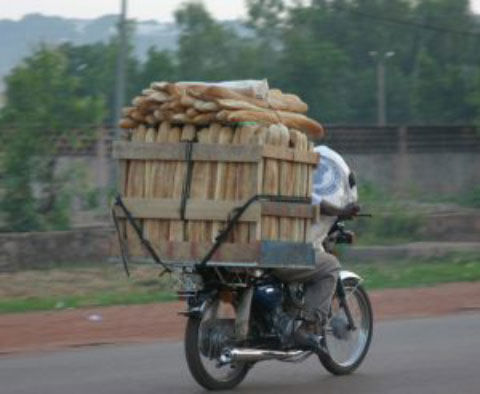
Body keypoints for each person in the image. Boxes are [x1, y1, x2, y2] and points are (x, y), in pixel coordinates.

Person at [273, 145, 360, 351]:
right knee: (329, 265)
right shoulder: (292, 180)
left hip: (248, 249)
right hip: (276, 252)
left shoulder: (273, 173)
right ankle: (309, 328)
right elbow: (313, 200)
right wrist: (342, 210)